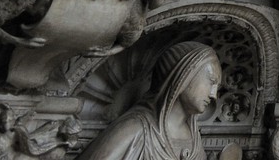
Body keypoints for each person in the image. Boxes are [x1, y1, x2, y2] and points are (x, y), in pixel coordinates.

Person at [79, 41, 220, 160]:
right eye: (211, 82)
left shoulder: (194, 138)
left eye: (217, 87)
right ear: (183, 76)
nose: (214, 95)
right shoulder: (135, 129)